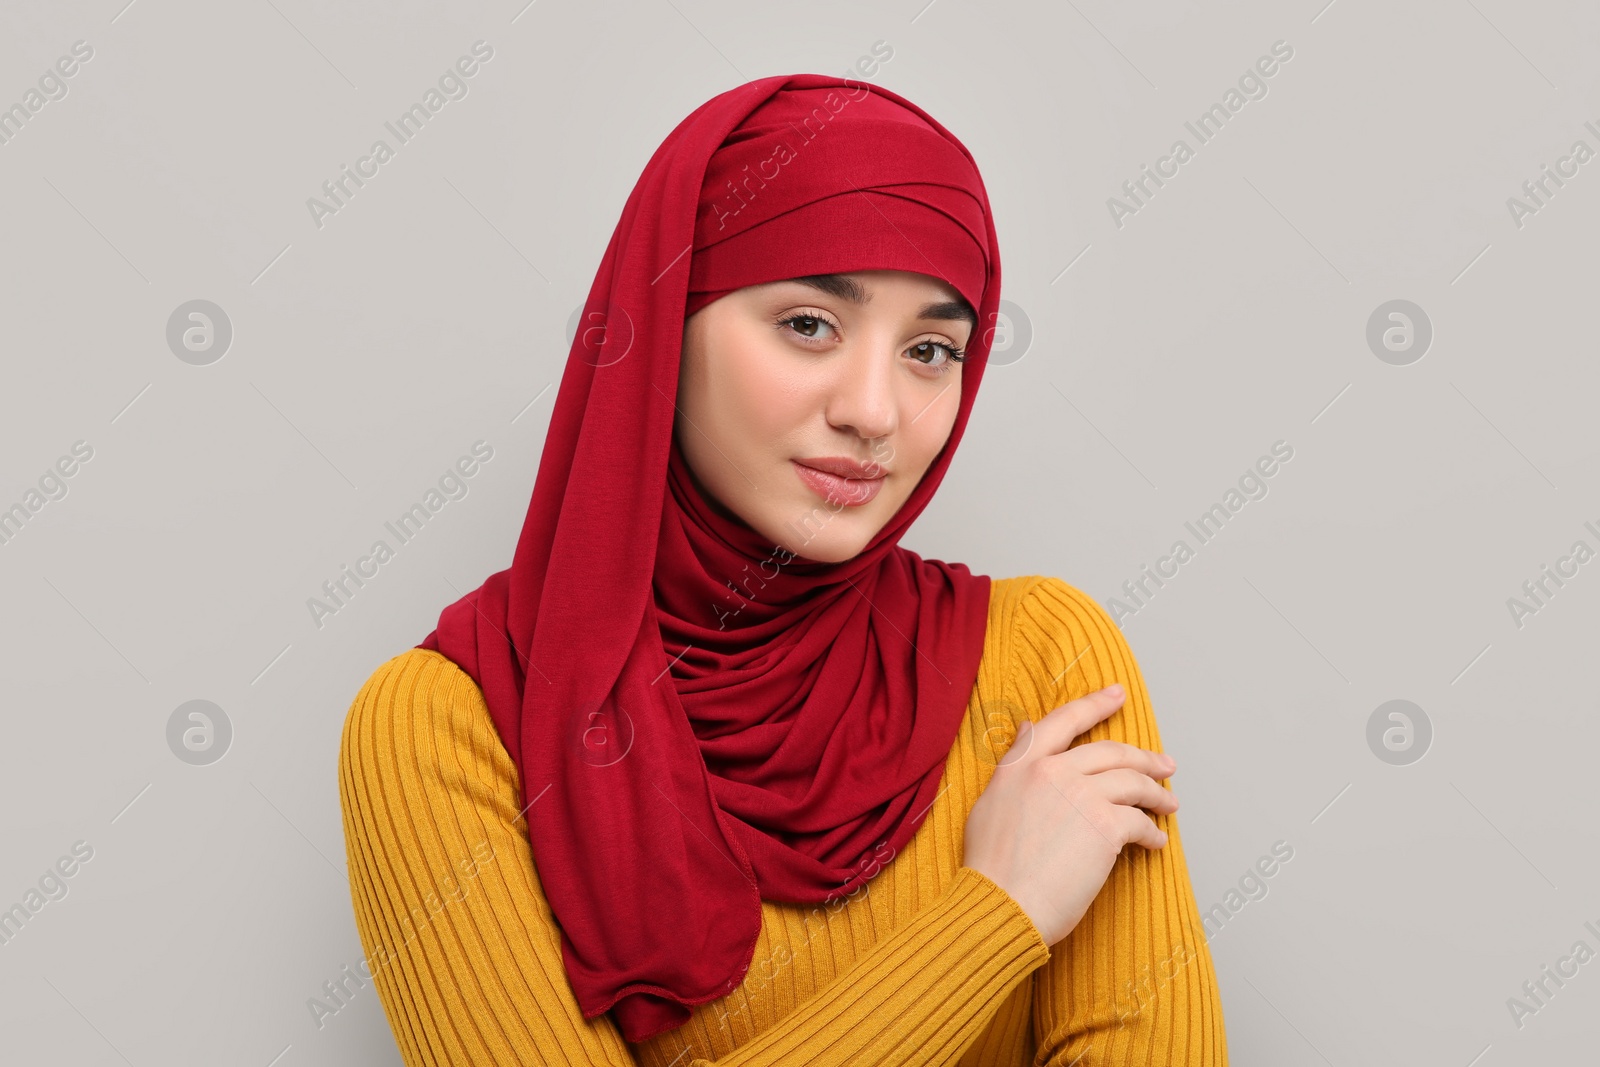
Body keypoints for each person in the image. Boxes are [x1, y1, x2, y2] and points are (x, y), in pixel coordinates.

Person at [337, 73, 1228, 1066]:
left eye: (931, 349)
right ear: (664, 324)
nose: (875, 411)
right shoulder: (446, 727)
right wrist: (994, 915)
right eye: (809, 324)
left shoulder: (1048, 663)